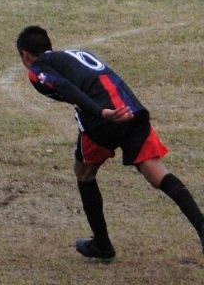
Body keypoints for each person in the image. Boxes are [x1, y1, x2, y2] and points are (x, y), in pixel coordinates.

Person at [17, 25, 204, 260]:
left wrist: (100, 112)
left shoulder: (37, 69)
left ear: (25, 55)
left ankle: (102, 244)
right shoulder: (75, 55)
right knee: (158, 173)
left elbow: (65, 87)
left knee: (84, 172)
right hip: (132, 110)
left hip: (103, 119)